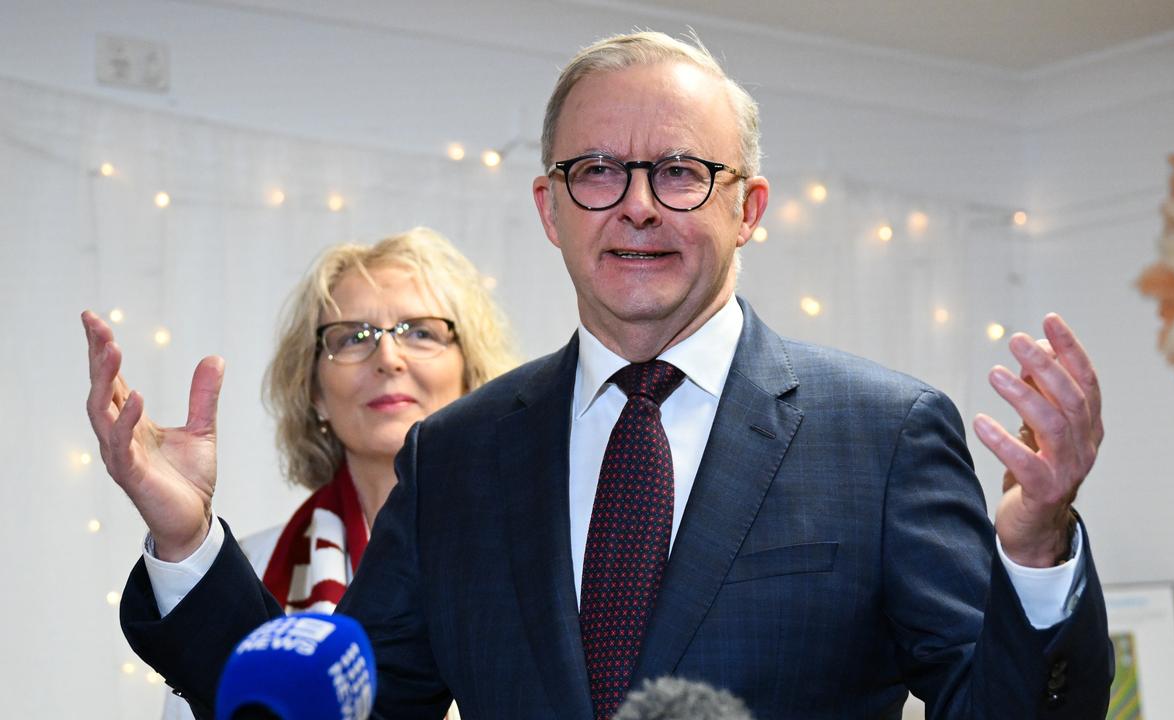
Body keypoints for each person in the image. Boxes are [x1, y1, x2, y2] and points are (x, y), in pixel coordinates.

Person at [94, 32, 1111, 720]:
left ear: (747, 207)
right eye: (596, 172)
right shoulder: (458, 455)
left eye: (678, 172)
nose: (634, 207)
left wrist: (1033, 549)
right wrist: (185, 538)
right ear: (549, 208)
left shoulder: (880, 434)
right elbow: (336, 705)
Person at [84, 228, 515, 720]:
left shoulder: (535, 550)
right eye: (353, 337)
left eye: (420, 332)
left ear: (471, 373)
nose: (388, 358)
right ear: (314, 391)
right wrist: (184, 540)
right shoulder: (242, 570)